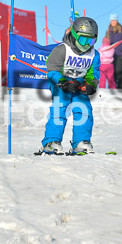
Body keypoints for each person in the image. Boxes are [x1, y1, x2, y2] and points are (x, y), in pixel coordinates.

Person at [40, 16, 101, 155]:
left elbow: (93, 73)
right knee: (60, 107)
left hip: (80, 82)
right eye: (83, 39)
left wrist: (91, 84)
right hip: (61, 82)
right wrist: (62, 82)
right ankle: (52, 141)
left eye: (91, 40)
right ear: (74, 35)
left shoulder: (94, 55)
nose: (86, 44)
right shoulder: (62, 50)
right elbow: (52, 71)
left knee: (84, 108)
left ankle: (81, 142)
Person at [105, 14, 122, 89]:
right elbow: (106, 42)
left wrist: (119, 48)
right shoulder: (108, 31)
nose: (113, 22)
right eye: (112, 20)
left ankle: (121, 89)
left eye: (114, 20)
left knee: (119, 71)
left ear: (117, 21)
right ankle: (111, 88)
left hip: (119, 54)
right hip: (110, 56)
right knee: (111, 73)